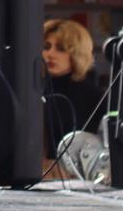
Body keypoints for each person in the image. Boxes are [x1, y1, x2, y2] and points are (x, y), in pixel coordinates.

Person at [42, 18, 106, 150]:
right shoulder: (30, 90)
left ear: (77, 54)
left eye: (61, 48)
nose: (50, 54)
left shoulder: (96, 97)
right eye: (46, 47)